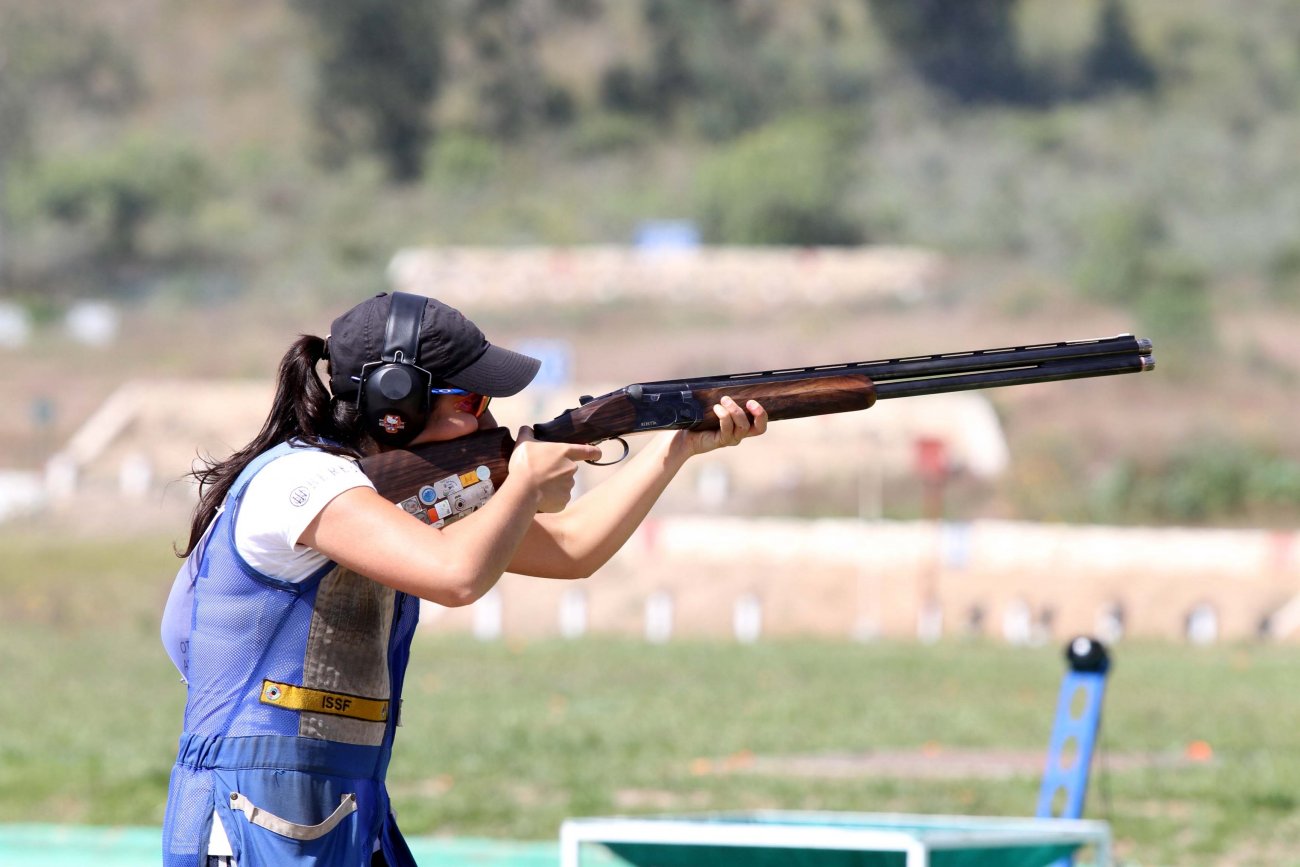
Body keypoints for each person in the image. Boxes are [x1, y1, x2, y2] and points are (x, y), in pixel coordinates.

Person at [160, 291, 768, 867]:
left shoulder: (367, 492)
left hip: (339, 813)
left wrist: (676, 449)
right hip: (252, 819)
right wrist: (523, 483)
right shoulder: (300, 482)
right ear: (396, 406)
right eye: (472, 403)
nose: (490, 420)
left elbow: (573, 550)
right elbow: (456, 577)